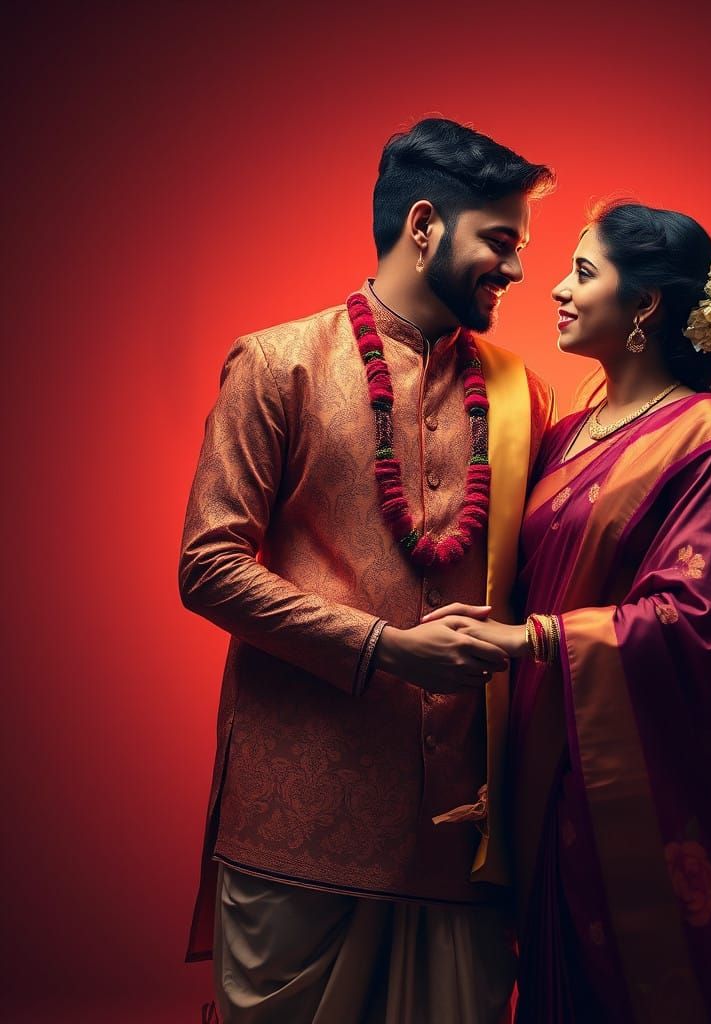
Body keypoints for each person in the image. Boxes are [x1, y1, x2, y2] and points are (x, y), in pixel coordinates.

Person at [422, 201, 711, 1022]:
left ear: (646, 305)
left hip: (625, 784)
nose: (554, 287)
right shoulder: (568, 433)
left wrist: (535, 640)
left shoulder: (706, 438)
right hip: (546, 770)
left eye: (584, 272)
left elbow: (707, 618)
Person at [178, 117, 557, 1023]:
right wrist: (383, 646)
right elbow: (207, 566)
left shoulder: (521, 392)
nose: (515, 269)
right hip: (298, 821)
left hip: (462, 840)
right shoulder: (278, 365)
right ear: (424, 225)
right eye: (499, 241)